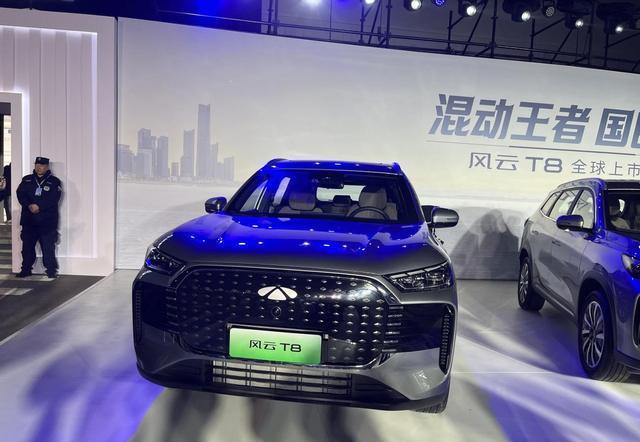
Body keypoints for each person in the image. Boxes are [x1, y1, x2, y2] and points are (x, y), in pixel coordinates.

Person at [16, 157, 62, 278]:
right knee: (27, 247)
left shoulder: (54, 181)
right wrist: (29, 205)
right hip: (29, 220)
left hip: (47, 221)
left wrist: (39, 206)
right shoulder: (27, 180)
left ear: (47, 167)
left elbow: (53, 199)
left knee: (48, 247)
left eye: (41, 165)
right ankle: (26, 269)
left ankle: (51, 270)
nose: (38, 167)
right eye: (37, 165)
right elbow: (20, 194)